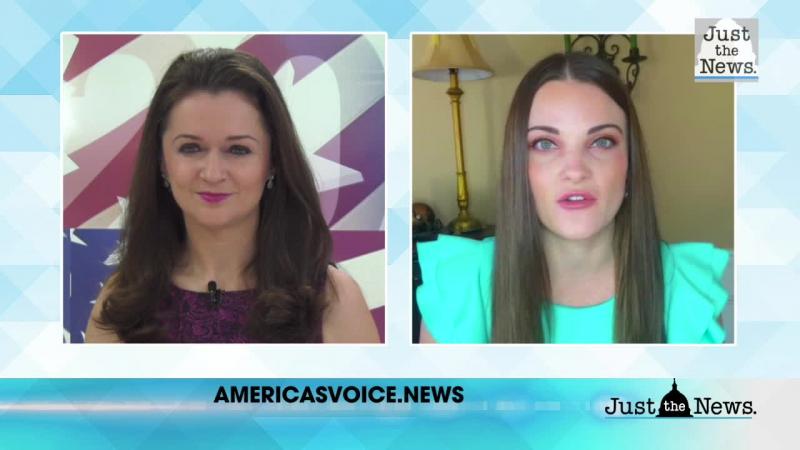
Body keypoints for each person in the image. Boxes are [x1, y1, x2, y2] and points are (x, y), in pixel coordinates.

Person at [416, 52, 730, 344]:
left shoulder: (688, 294)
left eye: (602, 142)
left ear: (630, 165)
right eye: (545, 144)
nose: (576, 171)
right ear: (519, 168)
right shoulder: (460, 289)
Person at [85, 48, 379, 343]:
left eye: (238, 150)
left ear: (273, 161)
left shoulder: (332, 301)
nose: (213, 173)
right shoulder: (121, 303)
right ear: (162, 161)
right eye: (190, 148)